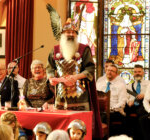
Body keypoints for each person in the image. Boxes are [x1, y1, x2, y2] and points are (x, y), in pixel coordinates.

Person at [46, 6, 102, 137]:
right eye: (68, 32)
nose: (70, 34)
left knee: (81, 129)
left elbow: (90, 68)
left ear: (77, 34)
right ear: (62, 34)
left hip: (80, 96)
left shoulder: (84, 50)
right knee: (61, 130)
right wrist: (51, 78)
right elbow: (49, 67)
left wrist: (76, 77)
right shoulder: (54, 50)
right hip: (60, 98)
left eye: (73, 32)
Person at [96, 64, 127, 136]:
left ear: (116, 74)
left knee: (103, 117)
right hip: (100, 111)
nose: (109, 72)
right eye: (108, 70)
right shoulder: (99, 83)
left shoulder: (120, 85)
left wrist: (110, 109)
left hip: (115, 111)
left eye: (112, 71)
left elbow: (122, 102)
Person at [125, 64, 149, 139]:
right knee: (124, 113)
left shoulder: (148, 83)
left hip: (144, 105)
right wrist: (129, 101)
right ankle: (129, 136)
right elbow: (126, 97)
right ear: (133, 74)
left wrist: (144, 95)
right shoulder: (129, 86)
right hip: (132, 106)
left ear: (143, 73)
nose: (137, 73)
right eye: (135, 72)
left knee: (140, 113)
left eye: (139, 71)